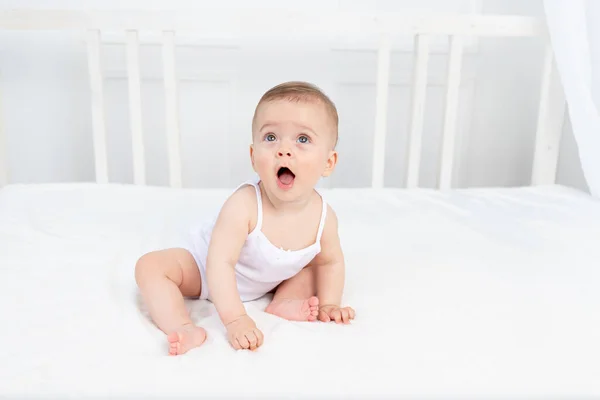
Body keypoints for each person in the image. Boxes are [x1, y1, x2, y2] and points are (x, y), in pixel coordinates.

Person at [134, 81, 355, 355]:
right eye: (271, 137)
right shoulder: (244, 205)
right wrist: (236, 319)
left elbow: (332, 262)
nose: (284, 150)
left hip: (268, 279)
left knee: (313, 265)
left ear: (328, 163)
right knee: (150, 267)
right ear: (253, 156)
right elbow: (220, 263)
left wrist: (330, 303)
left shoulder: (324, 218)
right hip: (205, 270)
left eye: (302, 139)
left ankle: (285, 301)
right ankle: (184, 326)